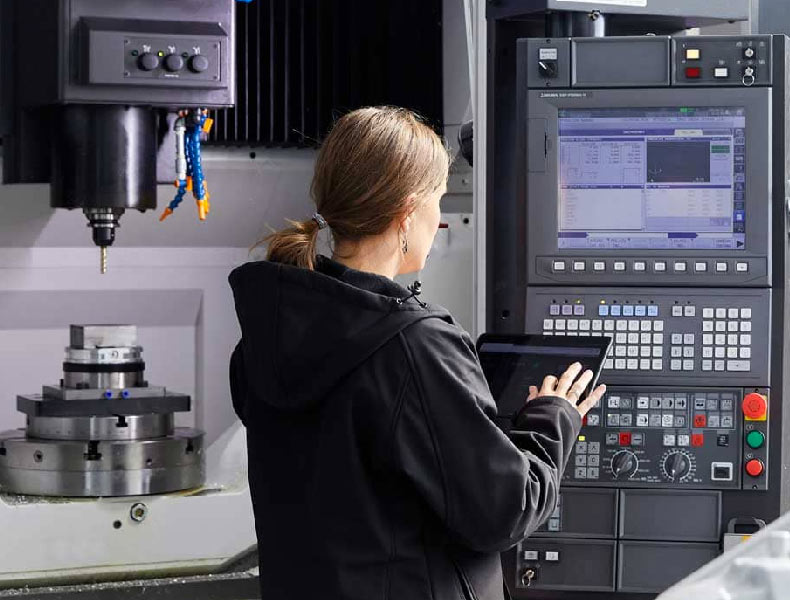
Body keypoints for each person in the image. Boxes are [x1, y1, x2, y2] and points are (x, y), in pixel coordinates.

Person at [228, 106, 606, 600]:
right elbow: (504, 510)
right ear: (407, 213)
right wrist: (553, 417)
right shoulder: (412, 345)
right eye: (439, 201)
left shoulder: (270, 333)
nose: (441, 219)